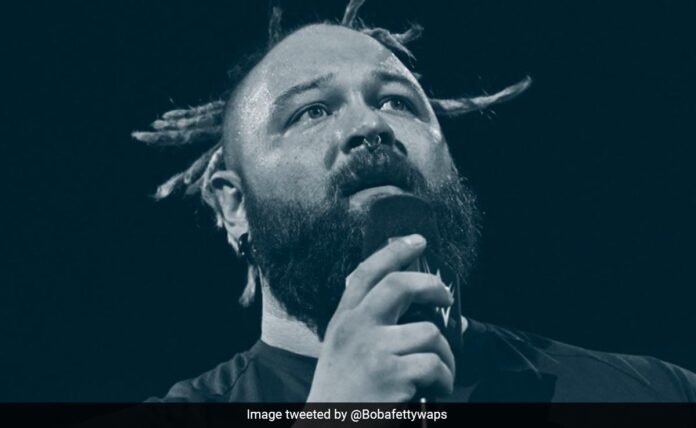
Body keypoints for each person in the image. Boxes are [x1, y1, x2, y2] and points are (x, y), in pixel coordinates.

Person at [133, 0, 696, 402]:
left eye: (397, 102)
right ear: (233, 205)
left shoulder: (653, 393)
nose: (371, 125)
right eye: (312, 111)